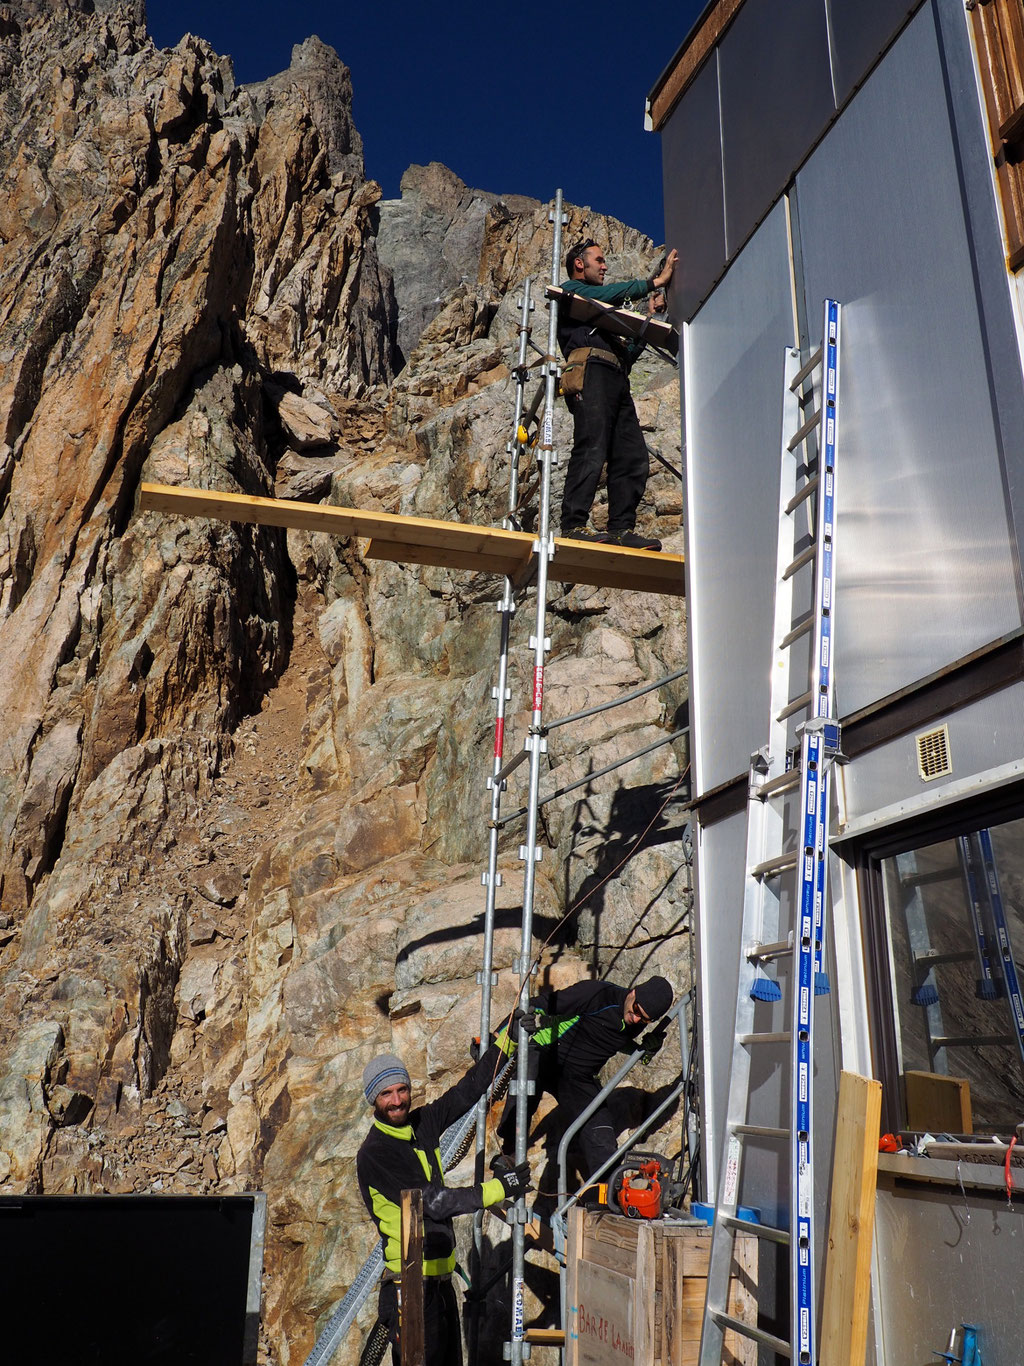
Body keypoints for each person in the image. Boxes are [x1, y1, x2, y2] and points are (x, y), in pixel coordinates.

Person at [356, 1040, 530, 1366]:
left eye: (402, 1090)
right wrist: (500, 1187)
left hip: (440, 1284)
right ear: (373, 1101)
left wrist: (509, 1038)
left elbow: (468, 1090)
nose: (397, 1101)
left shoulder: (422, 1124)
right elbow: (434, 1203)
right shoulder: (376, 1152)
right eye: (386, 1094)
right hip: (409, 1288)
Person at [557, 240, 678, 550]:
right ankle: (573, 525)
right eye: (599, 260)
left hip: (615, 376)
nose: (605, 266)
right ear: (580, 264)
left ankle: (621, 529)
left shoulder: (602, 318)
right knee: (593, 445)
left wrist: (649, 317)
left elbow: (625, 356)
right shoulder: (573, 292)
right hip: (590, 371)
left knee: (633, 456)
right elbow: (605, 295)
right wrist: (653, 283)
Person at [496, 974, 674, 1183]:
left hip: (577, 1078)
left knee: (600, 1130)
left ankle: (608, 1195)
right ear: (633, 992)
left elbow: (613, 1038)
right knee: (525, 1085)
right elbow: (536, 1006)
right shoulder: (597, 994)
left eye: (644, 1019)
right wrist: (496, 1042)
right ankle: (507, 1158)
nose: (636, 1019)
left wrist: (645, 1050)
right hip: (545, 1054)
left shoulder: (637, 1018)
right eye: (636, 1011)